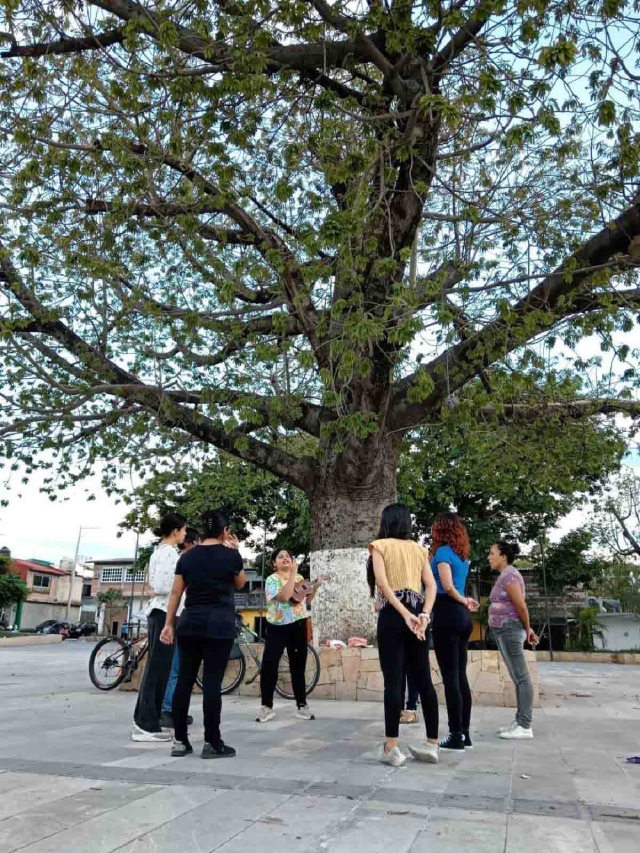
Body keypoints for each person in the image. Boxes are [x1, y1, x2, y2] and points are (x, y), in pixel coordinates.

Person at [160, 509, 246, 759]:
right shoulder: (231, 556)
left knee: (184, 681)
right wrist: (236, 550)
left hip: (189, 624)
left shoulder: (187, 556)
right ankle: (212, 742)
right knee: (211, 683)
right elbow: (240, 583)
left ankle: (180, 741)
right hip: (219, 625)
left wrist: (169, 624)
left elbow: (176, 593)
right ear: (225, 531)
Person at [368, 503, 439, 767]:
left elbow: (383, 585)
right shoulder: (420, 550)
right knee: (423, 679)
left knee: (393, 682)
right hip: (418, 614)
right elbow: (430, 585)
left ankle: (392, 747)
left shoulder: (379, 546)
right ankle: (432, 744)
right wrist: (423, 615)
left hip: (393, 616)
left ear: (386, 521)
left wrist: (402, 612)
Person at [132, 511, 187, 742]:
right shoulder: (167, 553)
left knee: (161, 669)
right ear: (176, 531)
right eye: (184, 529)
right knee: (156, 669)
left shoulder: (163, 552)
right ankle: (145, 723)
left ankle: (150, 720)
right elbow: (164, 585)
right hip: (163, 613)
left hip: (165, 612)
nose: (185, 533)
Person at [430, 512, 478, 752]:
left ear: (440, 530)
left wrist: (463, 600)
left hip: (448, 614)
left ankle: (455, 735)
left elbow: (447, 586)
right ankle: (465, 733)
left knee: (451, 679)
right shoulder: (461, 555)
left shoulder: (442, 554)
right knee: (460, 677)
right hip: (462, 619)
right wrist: (465, 602)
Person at [256, 549, 320, 723]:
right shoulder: (272, 580)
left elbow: (305, 601)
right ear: (274, 563)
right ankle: (266, 707)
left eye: (288, 557)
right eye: (280, 557)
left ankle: (302, 705)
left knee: (298, 667)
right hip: (277, 627)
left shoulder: (299, 578)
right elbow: (285, 596)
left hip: (298, 624)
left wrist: (314, 588)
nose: (285, 558)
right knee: (270, 666)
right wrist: (293, 574)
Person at [488, 540, 539, 740]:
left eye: (492, 553)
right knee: (517, 677)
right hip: (504, 630)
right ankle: (519, 721)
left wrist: (528, 630)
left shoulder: (509, 575)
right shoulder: (505, 575)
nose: (489, 557)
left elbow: (521, 606)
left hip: (510, 629)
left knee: (521, 677)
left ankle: (525, 725)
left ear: (503, 556)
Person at [159, 526, 201, 729]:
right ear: (189, 543)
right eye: (197, 542)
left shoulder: (184, 561)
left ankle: (175, 709)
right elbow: (174, 592)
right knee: (176, 668)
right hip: (176, 616)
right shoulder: (181, 560)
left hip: (179, 616)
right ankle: (168, 709)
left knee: (180, 667)